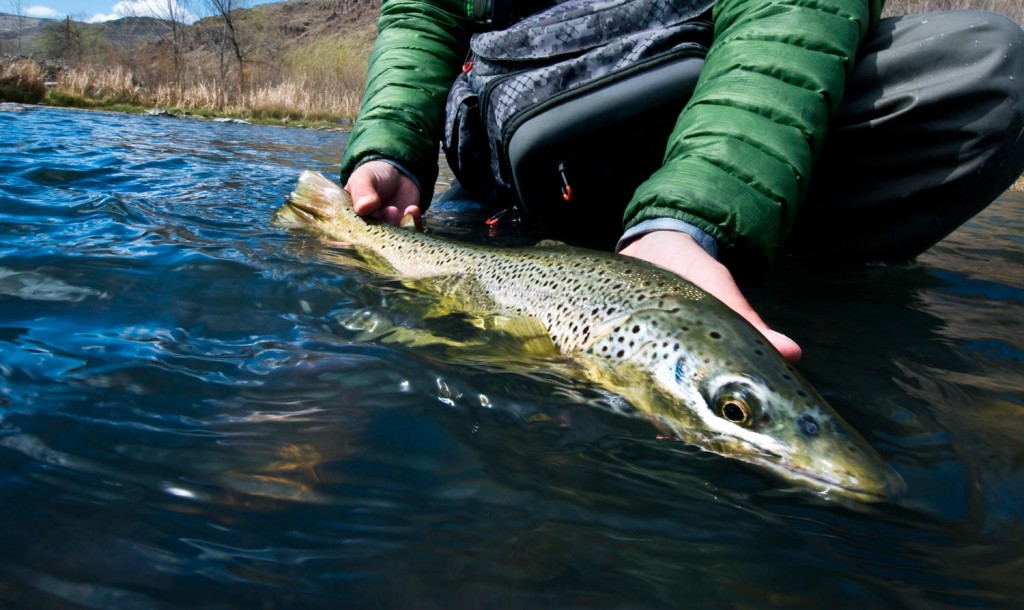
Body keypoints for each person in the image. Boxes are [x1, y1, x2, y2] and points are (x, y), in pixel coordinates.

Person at [340, 0, 1024, 363]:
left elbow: (795, 13)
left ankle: (712, 238)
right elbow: (422, 16)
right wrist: (390, 151)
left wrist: (693, 212)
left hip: (727, 94)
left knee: (987, 69)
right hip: (516, 164)